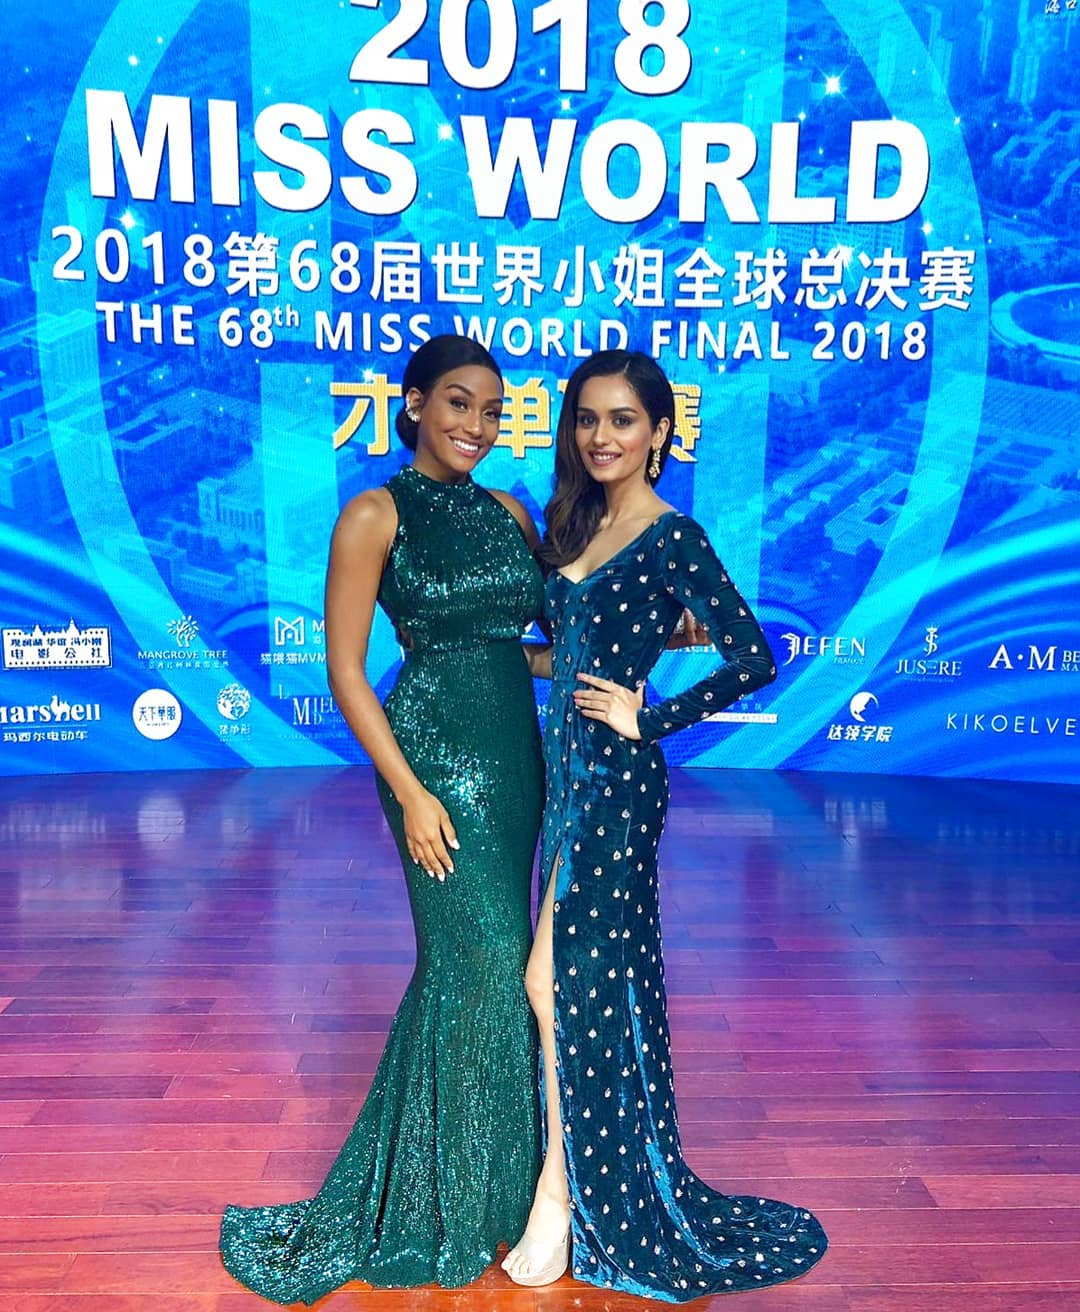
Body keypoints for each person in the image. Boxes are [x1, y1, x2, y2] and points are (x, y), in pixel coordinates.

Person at [220, 335, 547, 1303]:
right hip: (433, 757)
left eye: (492, 410)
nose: (476, 425)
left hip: (513, 757)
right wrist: (410, 790)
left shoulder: (510, 512)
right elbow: (346, 671)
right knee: (476, 957)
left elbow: (522, 647)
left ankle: (503, 1187)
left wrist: (640, 642)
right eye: (458, 403)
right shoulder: (373, 514)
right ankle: (440, 1199)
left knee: (505, 968)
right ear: (412, 405)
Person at [502, 350, 828, 1297]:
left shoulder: (672, 535)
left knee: (551, 982)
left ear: (658, 434)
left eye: (622, 420)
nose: (600, 437)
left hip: (617, 783)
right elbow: (566, 654)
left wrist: (651, 716)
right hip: (564, 780)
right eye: (587, 419)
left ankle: (560, 1196)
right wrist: (500, 656)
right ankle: (580, 1178)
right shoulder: (577, 525)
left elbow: (753, 655)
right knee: (574, 986)